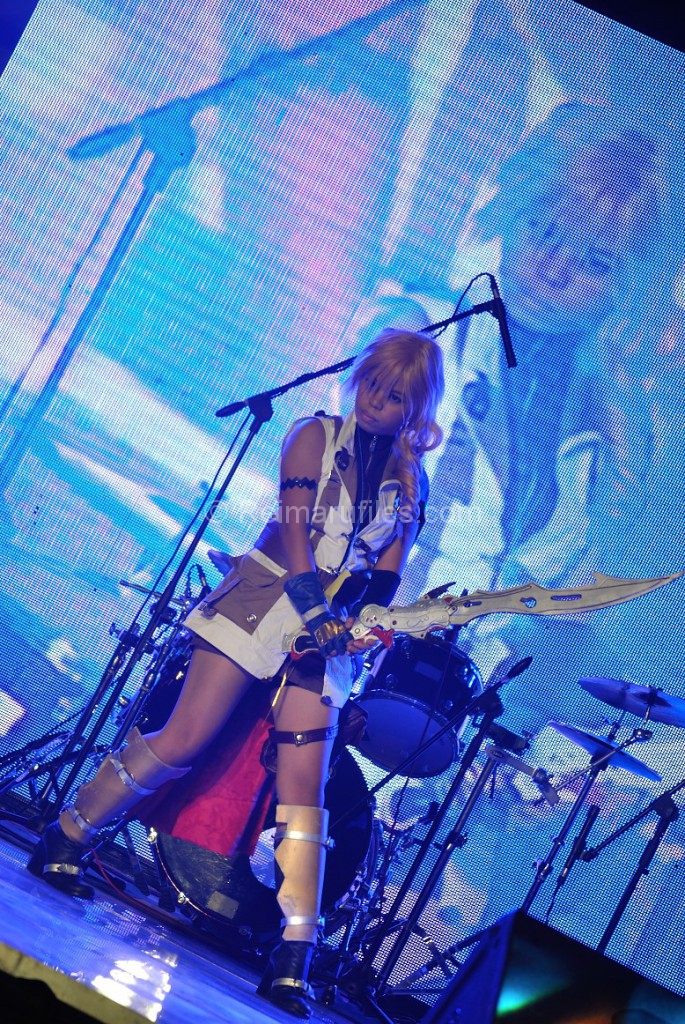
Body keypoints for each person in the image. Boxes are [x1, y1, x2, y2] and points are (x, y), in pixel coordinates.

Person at [27, 327, 445, 1018]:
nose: (375, 401)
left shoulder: (410, 481)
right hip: (264, 600)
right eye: (371, 384)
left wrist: (362, 625)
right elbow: (295, 531)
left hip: (329, 638)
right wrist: (316, 609)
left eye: (394, 396)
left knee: (303, 787)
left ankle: (294, 953)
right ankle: (68, 834)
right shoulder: (313, 435)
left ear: (416, 407)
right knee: (185, 736)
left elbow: (387, 573)